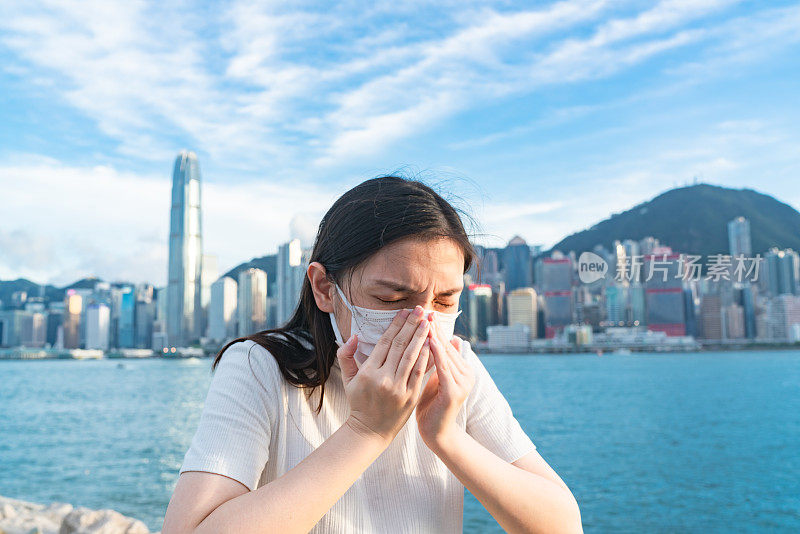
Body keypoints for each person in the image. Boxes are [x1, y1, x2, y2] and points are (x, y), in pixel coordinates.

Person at [162, 176, 582, 534]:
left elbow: (562, 524)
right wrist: (367, 431)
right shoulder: (260, 365)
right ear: (325, 288)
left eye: (444, 301)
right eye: (392, 297)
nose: (421, 322)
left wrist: (448, 437)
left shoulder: (459, 367)